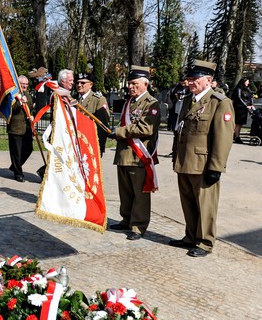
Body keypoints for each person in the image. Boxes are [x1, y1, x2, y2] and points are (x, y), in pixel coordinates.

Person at [170, 59, 235, 258]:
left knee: (205, 205)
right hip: (184, 161)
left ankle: (205, 242)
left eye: (195, 79)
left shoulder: (219, 102)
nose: (190, 82)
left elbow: (223, 137)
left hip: (204, 164)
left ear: (209, 80)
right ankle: (190, 236)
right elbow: (180, 130)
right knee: (188, 202)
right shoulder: (188, 100)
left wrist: (216, 166)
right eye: (189, 79)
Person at [107, 66, 161, 241]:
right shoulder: (129, 102)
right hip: (124, 154)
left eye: (134, 83)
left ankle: (138, 226)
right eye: (129, 83)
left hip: (139, 156)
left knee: (140, 194)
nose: (130, 86)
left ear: (145, 84)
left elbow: (146, 128)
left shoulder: (151, 104)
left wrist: (119, 132)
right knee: (126, 191)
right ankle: (126, 219)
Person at [6, 75, 34, 182]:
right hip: (16, 127)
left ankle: (14, 165)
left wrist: (32, 115)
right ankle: (18, 173)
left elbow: (31, 107)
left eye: (26, 84)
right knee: (16, 151)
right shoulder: (12, 94)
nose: (25, 86)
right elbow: (10, 109)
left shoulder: (27, 94)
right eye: (23, 84)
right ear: (18, 84)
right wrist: (20, 102)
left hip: (26, 127)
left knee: (29, 148)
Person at [74, 71, 109, 156]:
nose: (79, 85)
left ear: (91, 84)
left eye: (83, 83)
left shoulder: (98, 100)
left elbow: (102, 125)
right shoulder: (73, 99)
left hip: (90, 144)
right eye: (77, 82)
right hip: (74, 143)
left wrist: (100, 146)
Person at [231, 78, 254, 143]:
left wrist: (251, 104)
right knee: (238, 123)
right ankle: (236, 136)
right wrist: (246, 105)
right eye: (247, 82)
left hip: (245, 108)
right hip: (239, 108)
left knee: (240, 123)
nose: (248, 83)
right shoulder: (238, 89)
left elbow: (250, 96)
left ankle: (236, 135)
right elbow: (239, 98)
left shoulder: (247, 89)